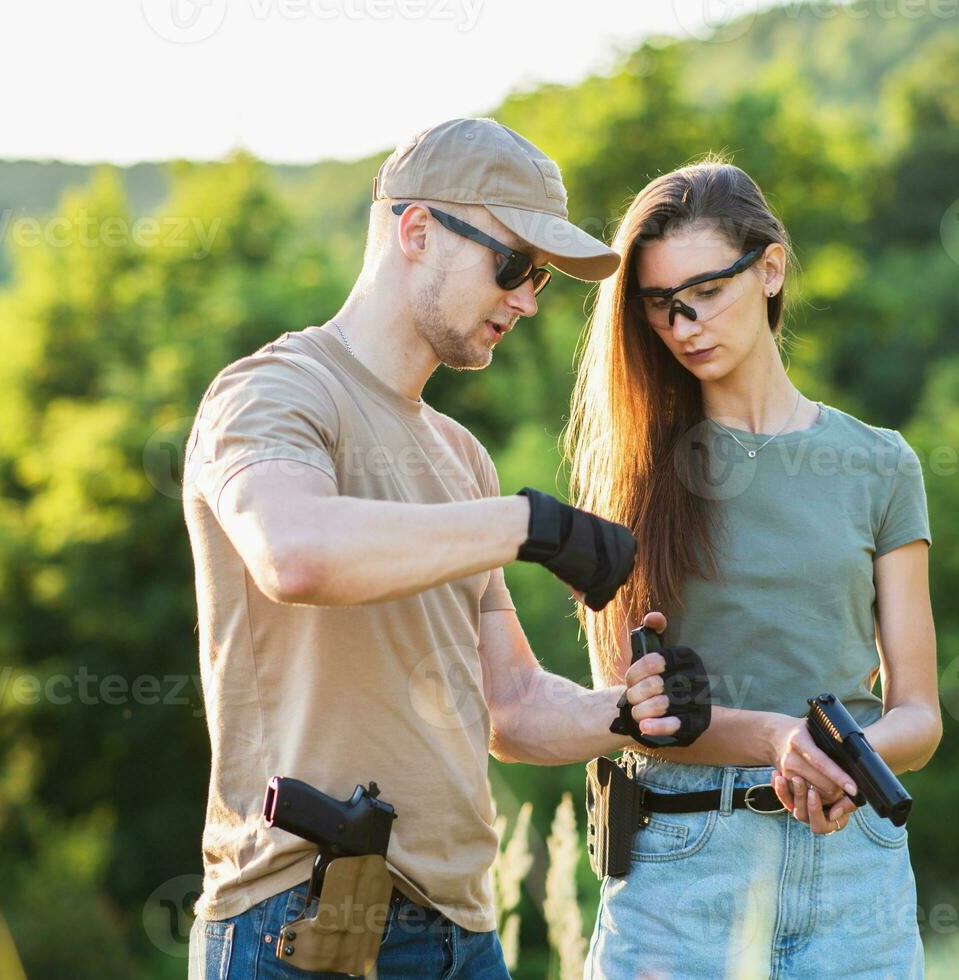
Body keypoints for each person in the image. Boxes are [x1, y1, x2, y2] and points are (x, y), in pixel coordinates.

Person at [180, 118, 710, 980]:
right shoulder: (273, 391)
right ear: (416, 230)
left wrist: (626, 712)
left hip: (463, 933)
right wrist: (529, 524)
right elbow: (295, 553)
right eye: (513, 265)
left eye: (539, 277)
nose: (529, 299)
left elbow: (510, 705)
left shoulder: (462, 457)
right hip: (303, 925)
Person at [567, 160, 941, 978]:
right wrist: (780, 742)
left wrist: (842, 761)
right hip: (683, 865)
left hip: (855, 866)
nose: (686, 322)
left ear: (769, 268)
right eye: (662, 305)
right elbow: (621, 712)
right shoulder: (627, 474)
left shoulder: (880, 464)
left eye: (708, 290)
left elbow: (918, 713)